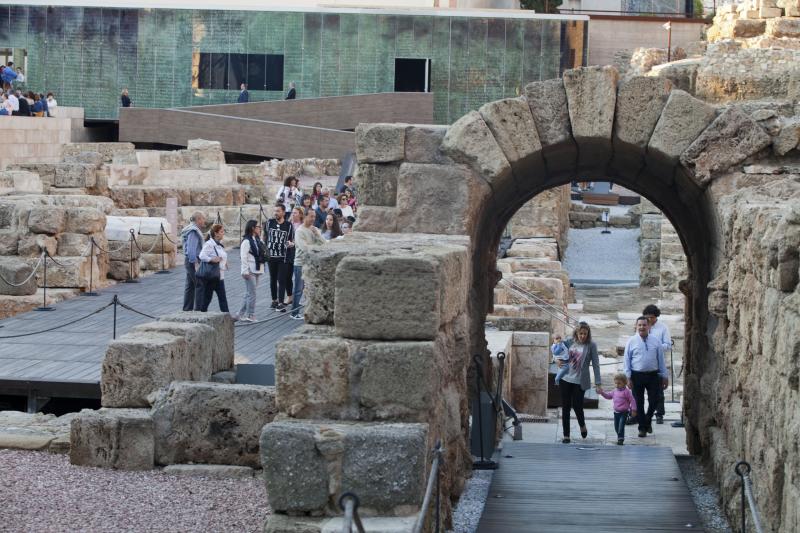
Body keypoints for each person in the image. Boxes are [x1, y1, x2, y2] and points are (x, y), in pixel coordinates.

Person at [556, 322, 601, 443]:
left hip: (580, 381)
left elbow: (596, 365)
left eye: (585, 334)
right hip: (565, 378)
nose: (582, 336)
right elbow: (556, 351)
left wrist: (598, 382)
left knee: (577, 406)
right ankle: (566, 435)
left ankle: (582, 425)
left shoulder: (591, 345)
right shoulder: (569, 342)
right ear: (576, 333)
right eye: (580, 333)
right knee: (565, 406)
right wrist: (557, 360)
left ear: (588, 334)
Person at [624, 316, 668, 438]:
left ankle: (647, 420)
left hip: (653, 375)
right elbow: (626, 360)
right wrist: (628, 377)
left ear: (649, 327)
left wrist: (664, 376)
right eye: (640, 325)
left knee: (655, 400)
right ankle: (642, 428)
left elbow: (661, 360)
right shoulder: (631, 341)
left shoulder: (656, 341)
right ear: (636, 326)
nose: (642, 327)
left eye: (644, 325)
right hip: (636, 375)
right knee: (638, 403)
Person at [291, 207, 325, 319]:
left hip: (311, 263)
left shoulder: (314, 229)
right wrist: (316, 247)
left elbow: (324, 244)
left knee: (310, 288)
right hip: (300, 263)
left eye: (314, 216)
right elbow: (304, 248)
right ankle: (294, 312)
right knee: (298, 289)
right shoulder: (300, 231)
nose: (313, 219)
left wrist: (317, 235)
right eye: (311, 216)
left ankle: (309, 310)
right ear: (305, 216)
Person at [643, 304, 672, 424]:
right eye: (647, 317)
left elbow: (668, 345)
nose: (649, 320)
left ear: (656, 317)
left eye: (651, 317)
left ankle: (659, 414)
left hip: (658, 363)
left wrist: (656, 346)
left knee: (658, 391)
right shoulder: (642, 325)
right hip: (643, 363)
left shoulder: (663, 328)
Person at [264, 203, 294, 312]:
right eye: (275, 211)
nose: (275, 213)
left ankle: (281, 302)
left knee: (281, 280)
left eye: (278, 211)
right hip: (271, 256)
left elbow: (291, 240)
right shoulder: (269, 223)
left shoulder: (289, 225)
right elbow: (266, 237)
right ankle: (274, 300)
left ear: (283, 212)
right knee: (272, 279)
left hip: (283, 257)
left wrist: (291, 244)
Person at [237, 220, 265, 322]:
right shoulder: (246, 241)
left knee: (249, 293)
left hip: (257, 269)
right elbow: (243, 257)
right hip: (249, 271)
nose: (260, 228)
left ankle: (239, 314)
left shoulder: (257, 239)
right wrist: (245, 271)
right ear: (253, 228)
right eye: (258, 227)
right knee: (252, 293)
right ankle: (250, 314)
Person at [598, 374, 637, 445]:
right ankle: (619, 436)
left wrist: (634, 409)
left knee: (621, 426)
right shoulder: (614, 391)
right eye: (616, 383)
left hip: (624, 413)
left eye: (619, 383)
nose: (617, 385)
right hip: (616, 413)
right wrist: (602, 393)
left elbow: (632, 400)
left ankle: (620, 439)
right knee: (616, 427)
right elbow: (608, 396)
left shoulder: (627, 392)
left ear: (625, 383)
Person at [198, 224, 229, 312]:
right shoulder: (209, 244)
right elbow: (201, 256)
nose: (223, 233)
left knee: (218, 297)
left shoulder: (218, 244)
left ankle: (226, 316)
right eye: (222, 232)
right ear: (216, 233)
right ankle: (202, 313)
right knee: (209, 297)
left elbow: (220, 255)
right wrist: (211, 259)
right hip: (213, 275)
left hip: (219, 275)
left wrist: (225, 261)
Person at [180, 211, 206, 311]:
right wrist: (195, 263)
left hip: (190, 261)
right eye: (203, 218)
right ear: (198, 219)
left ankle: (187, 309)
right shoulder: (193, 231)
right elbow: (191, 249)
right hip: (193, 261)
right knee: (199, 284)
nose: (204, 221)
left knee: (190, 286)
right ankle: (198, 310)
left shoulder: (192, 229)